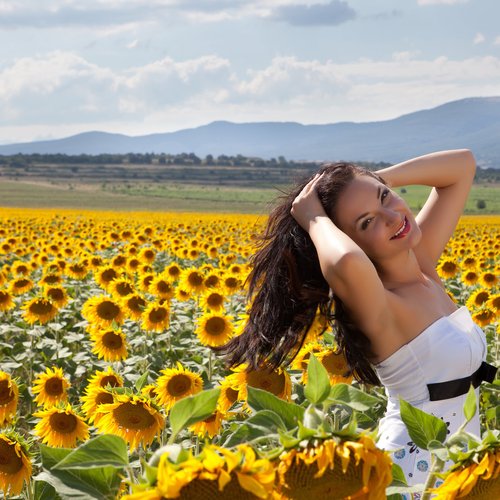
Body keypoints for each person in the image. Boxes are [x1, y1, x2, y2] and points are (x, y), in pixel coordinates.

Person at [219, 149, 497, 487]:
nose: (393, 217)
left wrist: (373, 182)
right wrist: (314, 219)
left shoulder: (422, 269)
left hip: (456, 466)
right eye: (367, 222)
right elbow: (346, 263)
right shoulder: (379, 303)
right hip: (412, 473)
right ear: (349, 241)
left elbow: (462, 166)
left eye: (386, 199)